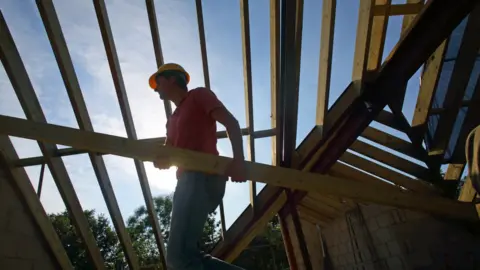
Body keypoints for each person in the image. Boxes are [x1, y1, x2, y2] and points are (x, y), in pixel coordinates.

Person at [149, 63, 247, 270]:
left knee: (178, 258)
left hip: (201, 177)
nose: (156, 88)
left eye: (158, 83)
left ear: (172, 79)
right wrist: (162, 161)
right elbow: (170, 154)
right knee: (188, 255)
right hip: (187, 180)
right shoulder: (172, 119)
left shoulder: (198, 95)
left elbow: (231, 123)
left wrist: (239, 161)